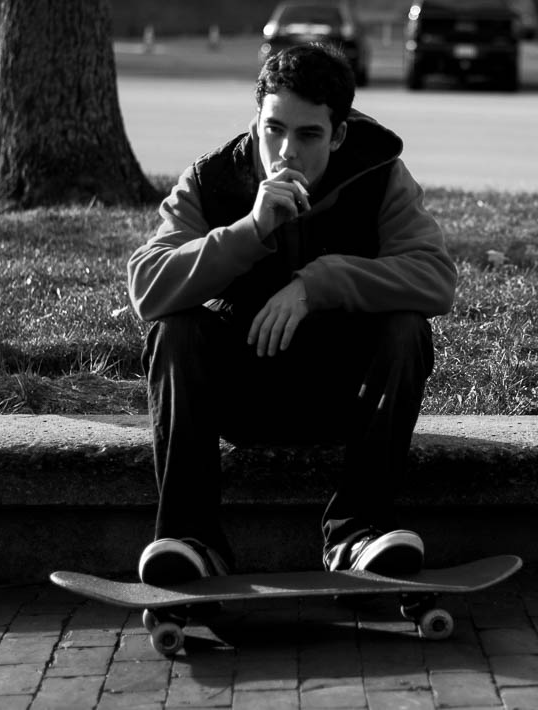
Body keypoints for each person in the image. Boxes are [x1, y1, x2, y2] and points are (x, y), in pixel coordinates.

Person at [127, 44, 457, 584]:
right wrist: (250, 231)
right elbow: (147, 285)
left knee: (406, 331)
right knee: (174, 330)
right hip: (242, 394)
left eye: (308, 135)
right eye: (273, 129)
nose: (285, 152)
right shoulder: (211, 180)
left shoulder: (379, 172)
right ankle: (190, 540)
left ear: (339, 134)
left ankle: (358, 534)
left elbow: (434, 278)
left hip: (343, 396)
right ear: (255, 119)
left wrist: (317, 284)